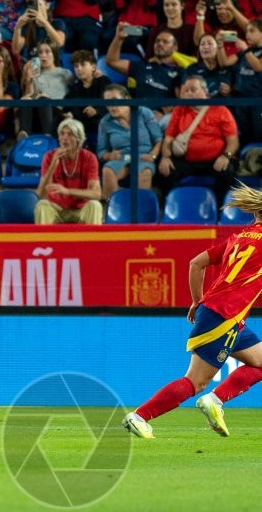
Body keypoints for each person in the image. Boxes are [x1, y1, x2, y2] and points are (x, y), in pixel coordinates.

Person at [124, 184, 262, 439]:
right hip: (224, 316)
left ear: (255, 215)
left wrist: (198, 301)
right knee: (196, 381)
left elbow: (196, 263)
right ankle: (140, 416)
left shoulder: (238, 238)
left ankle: (216, 400)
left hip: (222, 313)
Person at [156, 75, 239, 203]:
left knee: (227, 172)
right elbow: (168, 139)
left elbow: (233, 141)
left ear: (205, 92)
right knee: (164, 170)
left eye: (193, 90)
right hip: (186, 160)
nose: (189, 94)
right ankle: (176, 205)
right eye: (186, 91)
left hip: (215, 159)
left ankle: (219, 209)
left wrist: (226, 156)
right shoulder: (179, 110)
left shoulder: (221, 110)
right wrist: (165, 157)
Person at [96, 84, 162, 201]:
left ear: (127, 99)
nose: (111, 106)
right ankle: (113, 211)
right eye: (108, 102)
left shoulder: (143, 112)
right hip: (123, 158)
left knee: (144, 173)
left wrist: (153, 155)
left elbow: (158, 138)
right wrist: (109, 155)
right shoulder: (105, 122)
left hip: (143, 156)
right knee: (107, 170)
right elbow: (101, 151)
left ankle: (141, 213)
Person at [34, 118, 102, 225]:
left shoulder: (89, 158)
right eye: (62, 134)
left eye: (70, 134)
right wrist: (53, 165)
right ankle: (44, 242)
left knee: (95, 205)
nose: (64, 138)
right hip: (57, 208)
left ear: (79, 139)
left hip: (80, 208)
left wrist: (68, 191)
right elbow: (40, 194)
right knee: (42, 205)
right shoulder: (49, 157)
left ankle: (91, 241)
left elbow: (96, 194)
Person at [17, 39, 73, 141]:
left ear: (54, 54)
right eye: (40, 52)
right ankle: (24, 138)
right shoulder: (35, 74)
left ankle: (48, 136)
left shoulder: (65, 73)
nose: (43, 55)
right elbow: (29, 96)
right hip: (36, 112)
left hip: (56, 112)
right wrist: (29, 80)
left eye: (47, 51)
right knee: (26, 99)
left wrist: (94, 73)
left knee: (43, 98)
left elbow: (78, 89)